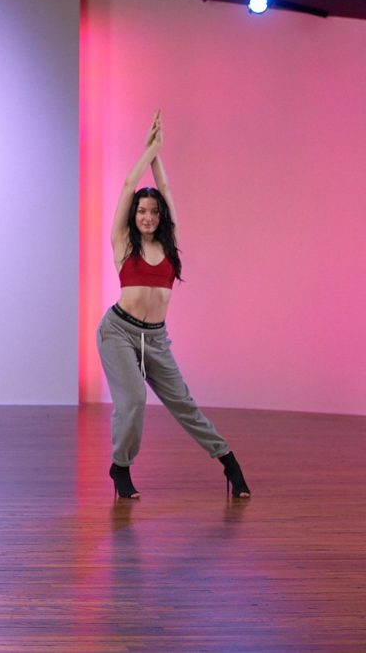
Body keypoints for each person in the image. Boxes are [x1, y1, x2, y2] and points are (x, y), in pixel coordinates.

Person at [99, 111, 250, 499]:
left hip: (156, 339)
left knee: (183, 404)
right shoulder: (123, 243)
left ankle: (228, 460)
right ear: (134, 215)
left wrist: (158, 155)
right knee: (132, 401)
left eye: (153, 211)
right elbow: (130, 183)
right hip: (118, 332)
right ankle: (121, 467)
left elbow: (162, 186)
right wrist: (149, 149)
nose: (147, 216)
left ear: (160, 215)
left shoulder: (169, 244)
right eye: (141, 211)